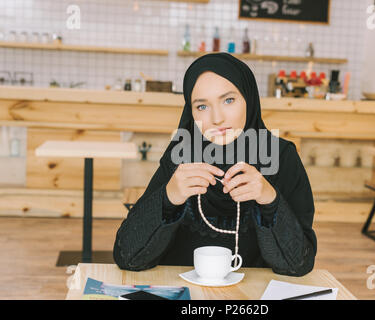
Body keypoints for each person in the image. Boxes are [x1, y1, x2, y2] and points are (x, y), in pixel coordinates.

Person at [113, 52, 317, 277]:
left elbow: (299, 264)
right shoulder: (181, 156)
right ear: (190, 111)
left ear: (248, 98)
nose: (217, 118)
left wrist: (270, 199)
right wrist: (168, 197)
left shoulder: (281, 157)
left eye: (228, 100)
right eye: (202, 107)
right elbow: (128, 257)